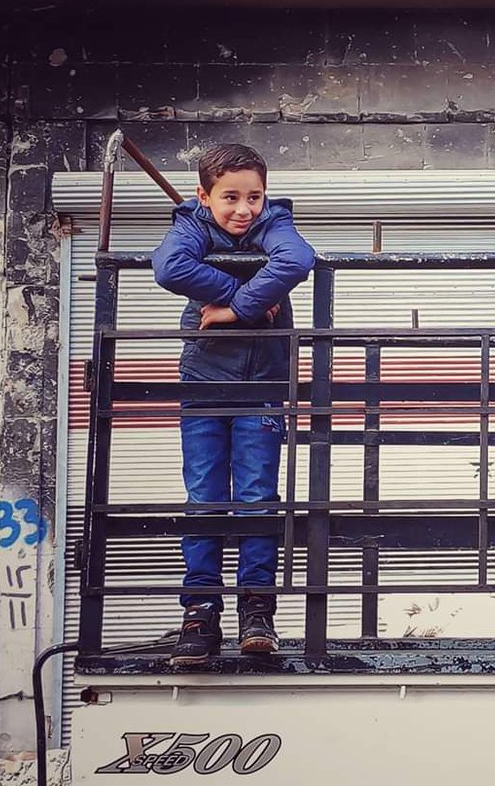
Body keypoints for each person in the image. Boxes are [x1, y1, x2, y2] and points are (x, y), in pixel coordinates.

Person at [153, 143, 315, 665]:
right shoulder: (192, 224)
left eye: (254, 196)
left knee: (257, 496)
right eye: (230, 198)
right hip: (203, 381)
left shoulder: (275, 222)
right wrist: (248, 298)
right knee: (203, 495)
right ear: (204, 196)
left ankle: (256, 610)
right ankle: (200, 611)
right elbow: (168, 267)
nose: (244, 209)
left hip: (264, 383)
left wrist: (234, 310)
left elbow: (298, 258)